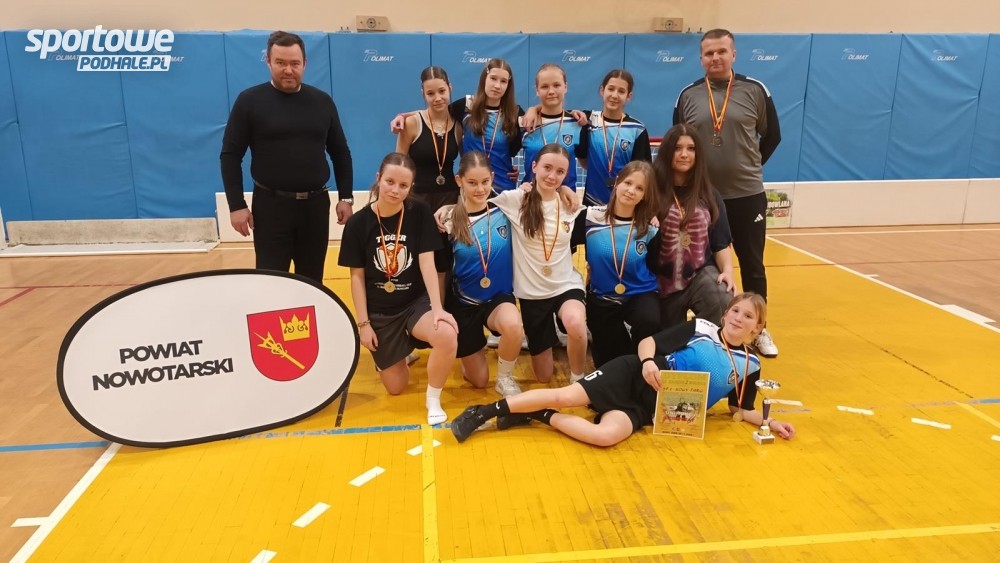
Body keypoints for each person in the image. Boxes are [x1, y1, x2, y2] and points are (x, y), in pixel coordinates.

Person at [450, 292, 796, 446]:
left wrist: (770, 422)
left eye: (748, 317)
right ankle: (484, 412)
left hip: (653, 411)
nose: (738, 318)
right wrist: (648, 363)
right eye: (735, 311)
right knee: (565, 396)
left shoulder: (750, 365)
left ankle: (539, 415)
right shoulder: (701, 328)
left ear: (757, 329)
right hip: (635, 375)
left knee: (604, 437)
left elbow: (739, 408)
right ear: (725, 313)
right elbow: (648, 343)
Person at [436, 144, 586, 384]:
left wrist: (565, 189)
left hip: (562, 287)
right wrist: (449, 208)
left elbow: (608, 215)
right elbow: (475, 206)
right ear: (534, 166)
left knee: (575, 322)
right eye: (547, 168)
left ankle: (579, 380)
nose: (552, 175)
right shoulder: (514, 201)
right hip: (526, 295)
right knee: (537, 377)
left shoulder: (570, 206)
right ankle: (472, 355)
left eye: (560, 172)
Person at [674, 28, 781, 357]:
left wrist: (749, 166)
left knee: (752, 264)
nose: (715, 58)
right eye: (709, 53)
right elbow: (681, 142)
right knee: (703, 265)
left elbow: (772, 136)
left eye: (722, 51)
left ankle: (758, 329)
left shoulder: (755, 90)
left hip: (747, 194)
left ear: (733, 54)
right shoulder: (688, 95)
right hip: (702, 198)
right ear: (701, 58)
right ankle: (712, 329)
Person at [221, 30, 354, 284]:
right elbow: (230, 156)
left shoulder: (322, 102)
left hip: (315, 208)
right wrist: (236, 205)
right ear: (268, 62)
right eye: (281, 63)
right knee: (272, 283)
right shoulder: (249, 101)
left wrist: (345, 197)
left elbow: (340, 152)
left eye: (295, 63)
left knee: (313, 282)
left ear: (305, 63)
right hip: (270, 208)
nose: (288, 70)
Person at [337, 153, 459, 425]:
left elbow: (427, 262)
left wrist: (438, 308)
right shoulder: (358, 224)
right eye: (390, 182)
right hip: (381, 313)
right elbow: (356, 278)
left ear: (411, 186)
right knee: (396, 387)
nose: (395, 190)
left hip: (414, 303)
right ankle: (399, 353)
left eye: (403, 185)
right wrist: (363, 324)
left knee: (447, 335)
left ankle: (433, 398)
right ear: (378, 179)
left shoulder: (419, 213)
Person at [441, 151, 524, 396]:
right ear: (459, 181)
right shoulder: (447, 222)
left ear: (492, 178)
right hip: (464, 304)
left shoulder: (506, 211)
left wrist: (566, 190)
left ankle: (505, 378)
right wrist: (440, 310)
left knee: (514, 325)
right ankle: (471, 353)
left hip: (497, 298)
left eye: (485, 182)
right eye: (472, 182)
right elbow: (441, 271)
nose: (480, 189)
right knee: (478, 381)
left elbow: (543, 191)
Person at [391, 59, 525, 192]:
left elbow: (529, 142)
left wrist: (533, 111)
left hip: (503, 186)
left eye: (503, 81)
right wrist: (403, 116)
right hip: (471, 187)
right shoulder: (467, 105)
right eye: (493, 78)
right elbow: (436, 111)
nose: (497, 85)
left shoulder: (515, 113)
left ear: (509, 84)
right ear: (485, 78)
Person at [649, 124, 736, 329]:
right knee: (662, 335)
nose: (684, 154)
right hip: (659, 278)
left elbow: (721, 243)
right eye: (677, 148)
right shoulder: (650, 190)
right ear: (667, 152)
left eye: (691, 148)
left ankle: (703, 340)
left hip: (699, 274)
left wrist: (728, 271)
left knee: (722, 297)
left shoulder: (710, 195)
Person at [579, 160, 661, 367]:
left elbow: (656, 265)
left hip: (640, 293)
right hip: (602, 297)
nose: (631, 191)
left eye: (640, 188)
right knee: (613, 363)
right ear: (617, 182)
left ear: (645, 196)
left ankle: (644, 361)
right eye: (628, 183)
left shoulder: (649, 228)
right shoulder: (590, 218)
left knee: (649, 320)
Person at [578, 69, 652, 206]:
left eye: (621, 91)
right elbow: (582, 159)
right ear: (602, 90)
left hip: (625, 204)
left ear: (629, 96)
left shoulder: (637, 129)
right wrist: (536, 110)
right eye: (611, 89)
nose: (614, 95)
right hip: (592, 202)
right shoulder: (587, 120)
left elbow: (642, 173)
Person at [520, 64, 586, 192]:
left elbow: (587, 164)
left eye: (556, 85)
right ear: (537, 90)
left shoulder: (577, 123)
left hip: (564, 199)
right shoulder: (525, 123)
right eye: (545, 86)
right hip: (531, 197)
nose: (551, 91)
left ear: (565, 87)